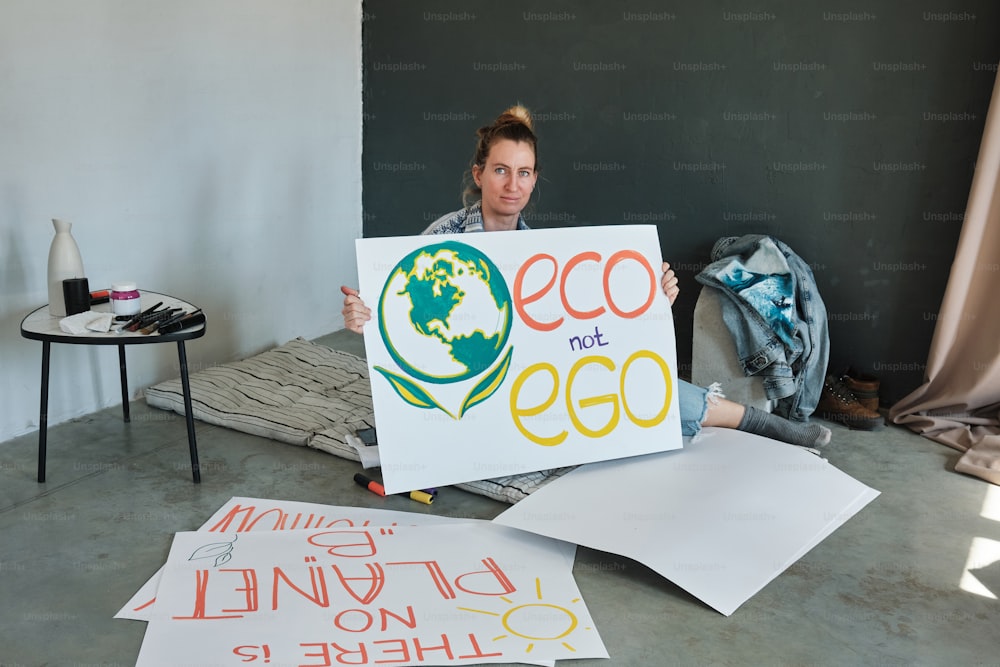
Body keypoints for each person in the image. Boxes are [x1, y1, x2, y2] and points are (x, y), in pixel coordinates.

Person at [341, 105, 831, 449]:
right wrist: (363, 316)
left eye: (526, 173)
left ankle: (761, 426)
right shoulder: (441, 240)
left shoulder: (543, 253)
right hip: (473, 381)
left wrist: (651, 300)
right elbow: (402, 315)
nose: (513, 185)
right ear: (478, 174)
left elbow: (588, 329)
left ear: (536, 179)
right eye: (501, 171)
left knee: (636, 387)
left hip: (534, 373)